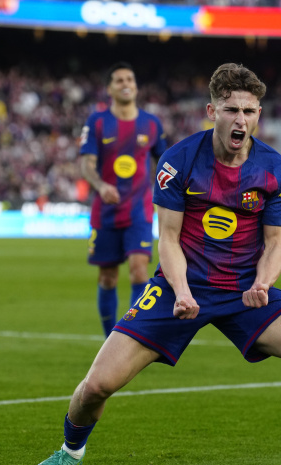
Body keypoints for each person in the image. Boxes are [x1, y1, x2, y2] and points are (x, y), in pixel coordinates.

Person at [26, 63, 281, 465]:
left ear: (259, 115)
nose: (241, 120)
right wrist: (181, 292)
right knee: (97, 385)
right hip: (180, 287)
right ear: (212, 111)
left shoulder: (276, 170)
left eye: (250, 112)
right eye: (232, 110)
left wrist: (262, 283)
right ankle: (70, 451)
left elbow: (275, 244)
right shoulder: (178, 160)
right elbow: (168, 239)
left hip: (243, 290)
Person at [80, 62, 168, 337]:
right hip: (105, 210)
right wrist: (100, 185)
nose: (126, 84)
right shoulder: (97, 122)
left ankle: (129, 338)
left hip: (139, 210)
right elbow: (86, 163)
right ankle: (110, 340)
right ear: (109, 89)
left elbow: (165, 163)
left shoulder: (151, 123)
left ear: (136, 86)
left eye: (130, 79)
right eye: (119, 80)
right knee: (107, 277)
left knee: (139, 272)